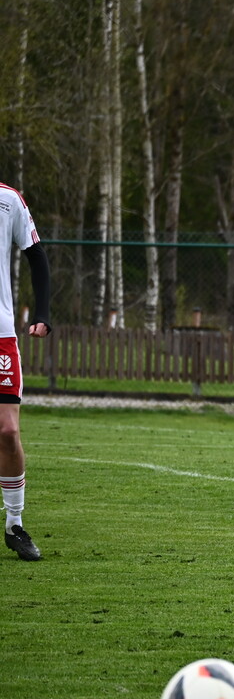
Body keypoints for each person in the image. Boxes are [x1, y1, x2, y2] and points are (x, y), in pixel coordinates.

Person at [0, 182, 51, 562]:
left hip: (0, 335)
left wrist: (43, 312)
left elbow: (37, 256)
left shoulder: (8, 199)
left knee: (7, 431)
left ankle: (14, 524)